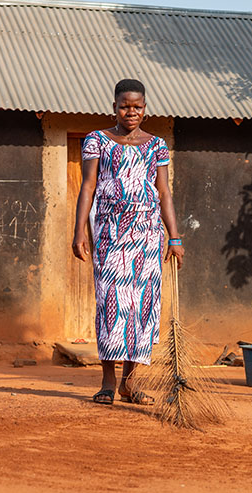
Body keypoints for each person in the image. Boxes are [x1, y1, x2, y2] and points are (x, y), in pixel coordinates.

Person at [72, 79, 185, 405]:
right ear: (114, 107)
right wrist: (79, 230)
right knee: (111, 306)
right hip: (109, 235)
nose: (130, 112)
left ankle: (130, 383)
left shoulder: (157, 146)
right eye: (124, 106)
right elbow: (88, 186)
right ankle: (108, 382)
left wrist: (173, 236)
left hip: (147, 238)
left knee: (142, 309)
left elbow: (164, 192)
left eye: (137, 107)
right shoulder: (97, 141)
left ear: (145, 109)